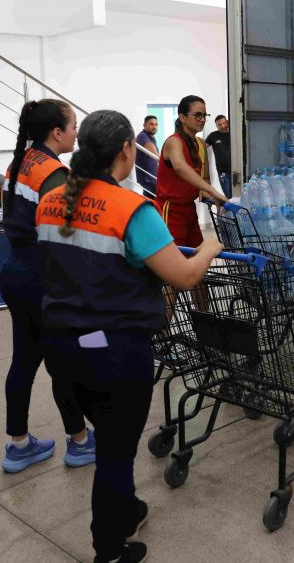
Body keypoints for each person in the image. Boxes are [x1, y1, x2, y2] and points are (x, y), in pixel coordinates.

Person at [36, 110, 222, 563]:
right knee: (117, 454)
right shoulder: (130, 210)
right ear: (125, 149)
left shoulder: (51, 200)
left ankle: (128, 508)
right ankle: (109, 549)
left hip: (62, 346)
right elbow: (182, 277)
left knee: (108, 432)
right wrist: (211, 248)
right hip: (115, 352)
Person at [0, 99, 96, 473]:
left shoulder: (19, 161)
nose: (76, 134)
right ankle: (81, 442)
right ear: (57, 133)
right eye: (73, 127)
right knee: (63, 363)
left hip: (16, 272)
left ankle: (19, 445)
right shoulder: (54, 174)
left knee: (24, 361)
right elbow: (66, 236)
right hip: (43, 279)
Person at [156, 95, 227, 246]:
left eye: (204, 115)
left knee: (196, 254)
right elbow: (180, 167)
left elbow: (205, 177)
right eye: (197, 115)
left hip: (189, 209)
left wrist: (208, 194)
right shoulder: (173, 142)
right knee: (176, 260)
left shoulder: (200, 144)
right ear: (182, 117)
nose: (202, 119)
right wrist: (214, 191)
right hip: (171, 210)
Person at [205, 114, 233, 198]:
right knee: (228, 196)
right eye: (219, 124)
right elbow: (202, 147)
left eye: (224, 123)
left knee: (238, 195)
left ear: (227, 122)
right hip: (222, 172)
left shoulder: (234, 134)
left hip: (236, 171)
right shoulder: (213, 136)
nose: (223, 126)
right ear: (216, 125)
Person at [134, 116, 159, 199]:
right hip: (148, 179)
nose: (154, 127)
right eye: (151, 124)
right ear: (144, 125)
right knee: (158, 201)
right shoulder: (142, 136)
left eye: (156, 124)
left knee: (151, 200)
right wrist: (162, 161)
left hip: (152, 178)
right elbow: (149, 146)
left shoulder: (152, 137)